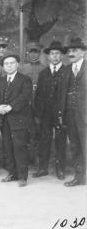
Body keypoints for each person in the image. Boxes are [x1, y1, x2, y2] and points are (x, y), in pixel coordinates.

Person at [0, 53, 33, 187]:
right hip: (3, 120)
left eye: (12, 63)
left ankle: (22, 177)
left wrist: (10, 107)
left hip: (18, 119)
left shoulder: (25, 79)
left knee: (20, 147)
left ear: (17, 64)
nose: (9, 65)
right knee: (8, 147)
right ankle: (12, 174)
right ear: (3, 67)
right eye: (6, 64)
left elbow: (25, 96)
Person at [33, 41, 67, 180]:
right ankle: (43, 168)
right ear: (48, 56)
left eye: (57, 53)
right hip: (45, 114)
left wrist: (64, 113)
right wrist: (38, 114)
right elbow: (39, 95)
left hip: (61, 114)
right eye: (52, 54)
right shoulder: (43, 73)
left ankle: (60, 170)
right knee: (44, 140)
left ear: (61, 56)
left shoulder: (67, 72)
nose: (54, 56)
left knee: (60, 141)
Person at [59, 38, 87, 187]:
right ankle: (80, 176)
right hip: (70, 115)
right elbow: (62, 93)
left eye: (75, 50)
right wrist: (61, 114)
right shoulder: (66, 70)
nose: (71, 53)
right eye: (69, 51)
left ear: (83, 51)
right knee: (76, 145)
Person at [19, 42, 46, 165]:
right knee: (25, 132)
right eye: (31, 52)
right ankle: (26, 158)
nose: (33, 54)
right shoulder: (22, 68)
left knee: (39, 130)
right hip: (25, 104)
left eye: (36, 52)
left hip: (40, 105)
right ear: (27, 53)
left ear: (39, 53)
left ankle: (38, 158)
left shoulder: (45, 68)